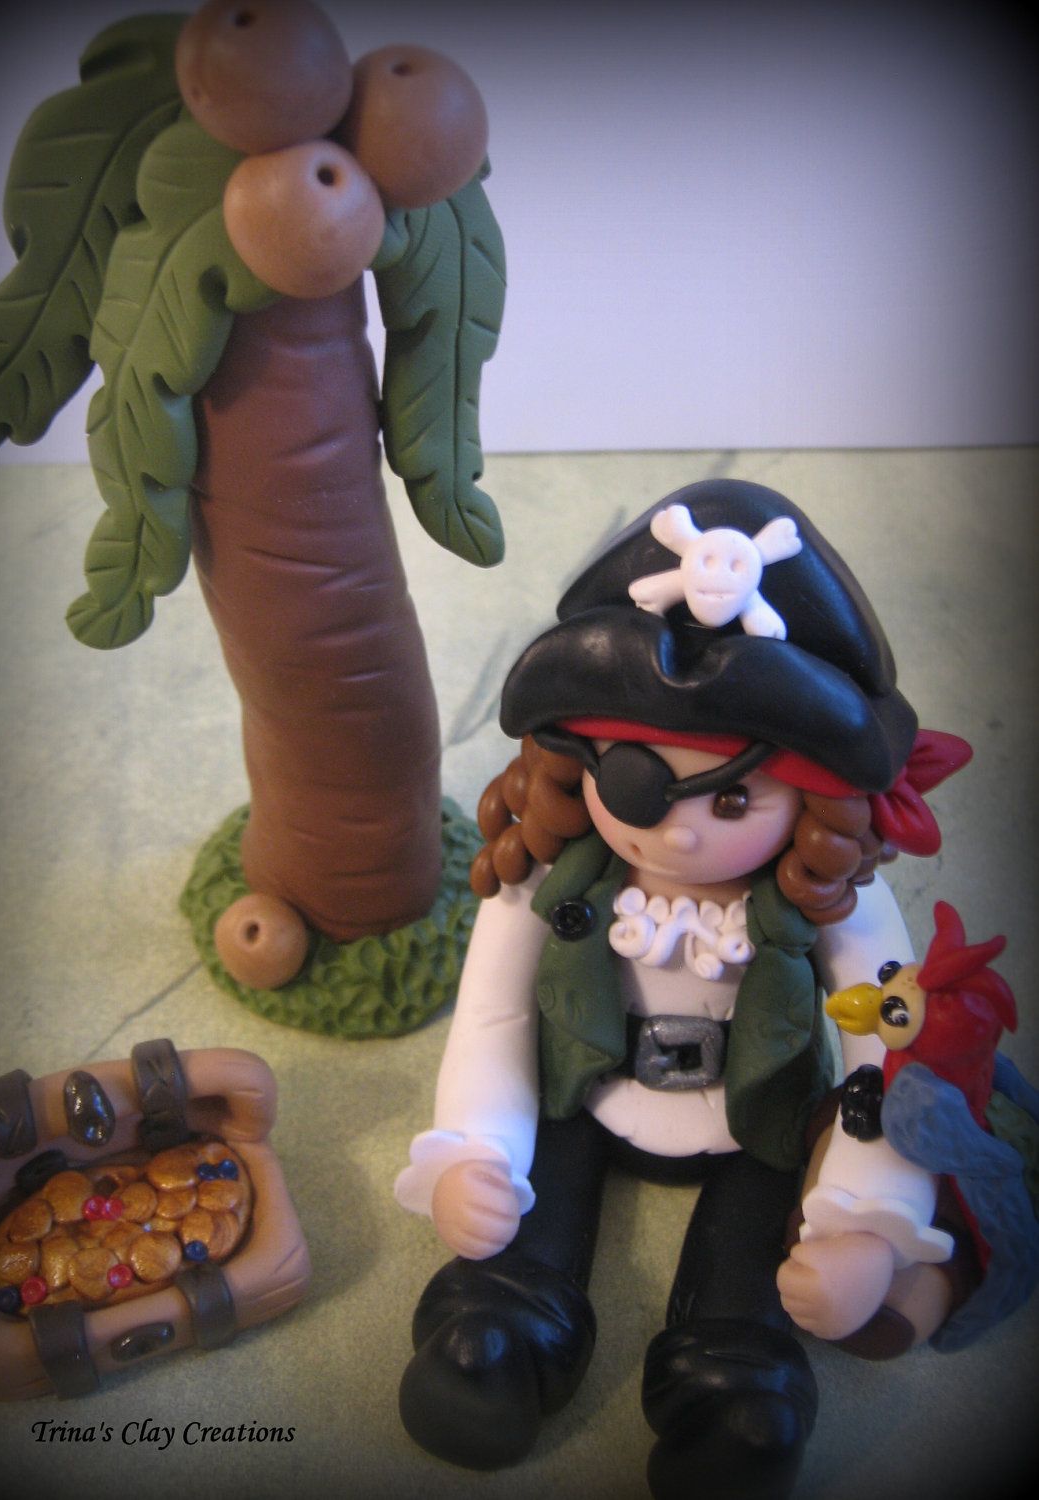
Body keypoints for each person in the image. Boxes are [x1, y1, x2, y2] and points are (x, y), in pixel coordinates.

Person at [394, 479, 972, 1499]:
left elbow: (886, 1061)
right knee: (518, 1235)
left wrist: (865, 1221)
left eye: (733, 796)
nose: (676, 830)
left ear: (817, 799)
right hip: (585, 1090)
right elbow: (492, 1019)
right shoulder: (546, 877)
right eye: (636, 781)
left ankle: (734, 1395)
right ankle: (499, 1331)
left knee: (749, 1276)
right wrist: (474, 1152)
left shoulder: (838, 905)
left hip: (757, 1118)